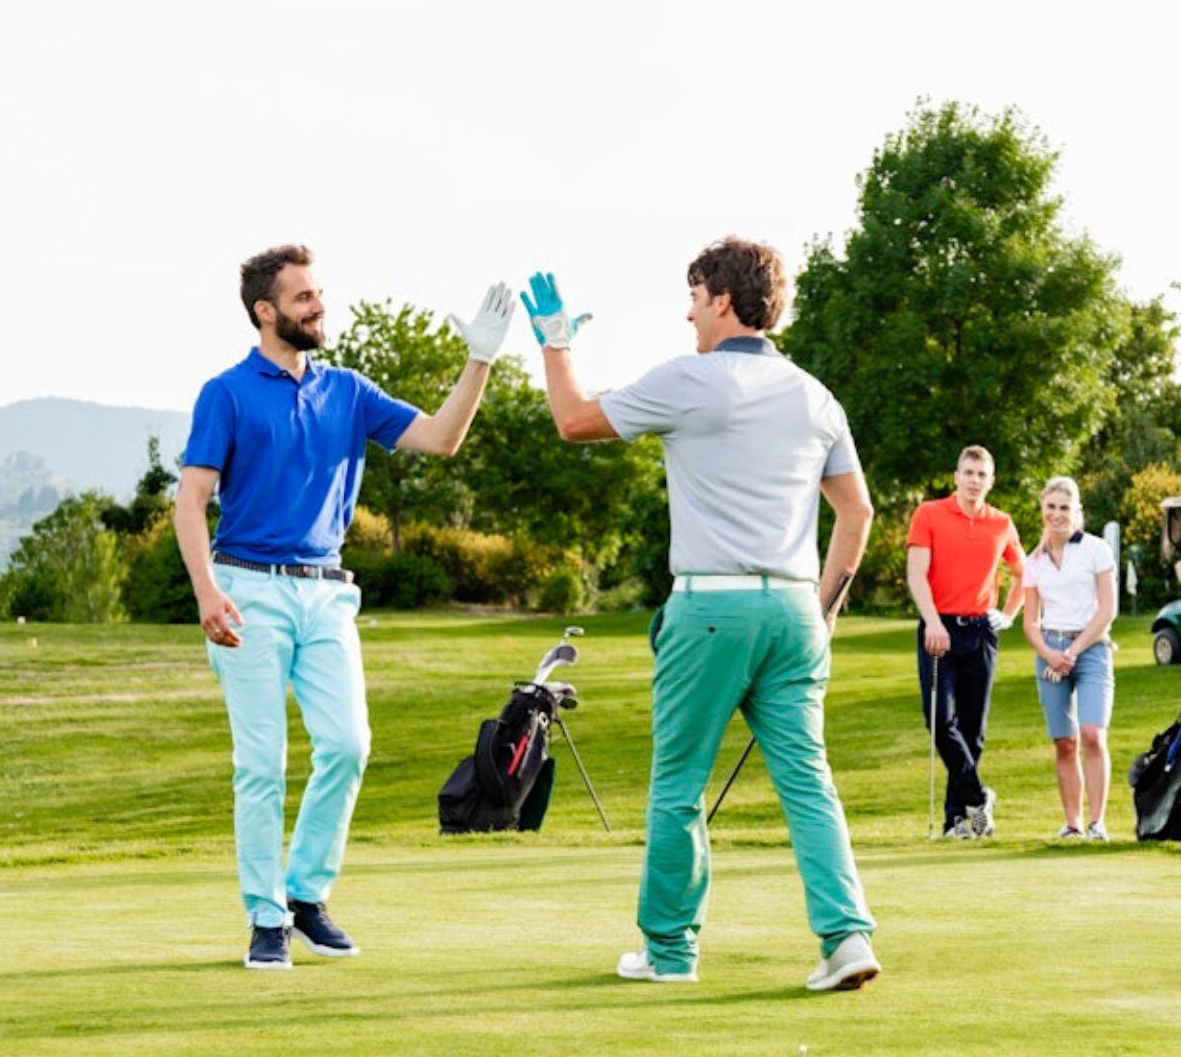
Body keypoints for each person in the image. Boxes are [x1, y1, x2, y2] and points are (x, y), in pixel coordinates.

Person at [527, 237, 881, 992]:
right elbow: (856, 512)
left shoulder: (692, 378)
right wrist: (821, 612)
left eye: (693, 297)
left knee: (679, 783)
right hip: (793, 612)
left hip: (711, 609)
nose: (688, 313)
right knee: (807, 781)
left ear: (722, 300)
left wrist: (556, 345)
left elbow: (573, 421)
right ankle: (847, 937)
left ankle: (669, 951)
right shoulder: (816, 395)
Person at [175, 244, 515, 970]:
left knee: (348, 744)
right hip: (249, 591)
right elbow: (193, 499)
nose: (318, 307)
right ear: (266, 312)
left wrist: (479, 361)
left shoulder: (349, 390)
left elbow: (441, 438)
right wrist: (207, 590)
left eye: (318, 294)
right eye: (302, 298)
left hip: (328, 593)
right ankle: (266, 916)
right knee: (261, 762)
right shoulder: (227, 393)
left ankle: (304, 896)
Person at [905, 446, 1025, 840]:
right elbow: (917, 576)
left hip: (981, 633)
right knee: (940, 721)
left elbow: (1025, 574)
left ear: (990, 481)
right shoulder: (929, 514)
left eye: (982, 475)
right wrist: (933, 622)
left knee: (973, 732)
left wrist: (1007, 614)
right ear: (956, 476)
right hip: (939, 631)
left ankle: (959, 820)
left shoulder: (1001, 523)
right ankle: (978, 797)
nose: (975, 480)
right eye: (968, 473)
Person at [1019, 476, 1119, 840]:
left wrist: (1072, 653)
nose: (1058, 514)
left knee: (1092, 734)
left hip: (1091, 649)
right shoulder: (1033, 561)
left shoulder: (1096, 550)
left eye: (1065, 508)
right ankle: (1073, 824)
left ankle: (1097, 823)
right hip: (1051, 653)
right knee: (1065, 741)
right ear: (1043, 510)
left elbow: (1108, 610)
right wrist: (1050, 655)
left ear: (1077, 513)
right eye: (1051, 507)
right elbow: (1030, 622)